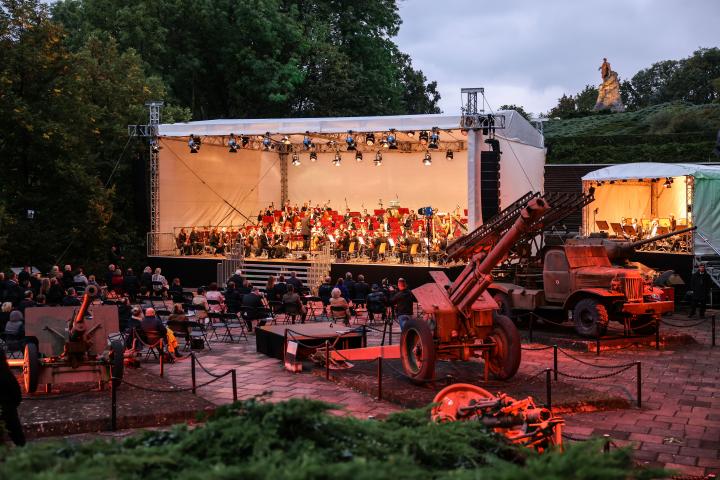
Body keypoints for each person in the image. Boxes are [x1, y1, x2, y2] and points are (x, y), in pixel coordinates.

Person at [0, 350, 25, 446]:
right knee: (18, 437)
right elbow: (16, 393)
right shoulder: (6, 374)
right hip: (8, 409)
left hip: (7, 407)